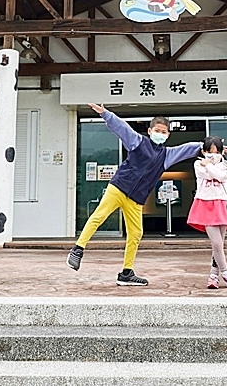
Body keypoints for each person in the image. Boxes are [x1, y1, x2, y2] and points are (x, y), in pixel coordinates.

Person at [67, 103, 213, 286]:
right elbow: (122, 128)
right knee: (98, 216)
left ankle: (126, 273)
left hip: (136, 199)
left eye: (164, 131)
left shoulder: (167, 155)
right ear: (150, 130)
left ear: (168, 135)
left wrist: (211, 146)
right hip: (119, 188)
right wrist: (105, 113)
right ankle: (78, 249)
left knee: (136, 233)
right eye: (157, 130)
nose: (160, 133)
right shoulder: (138, 142)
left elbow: (187, 148)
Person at [187, 135, 227, 289]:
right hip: (205, 204)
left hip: (222, 205)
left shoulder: (222, 165)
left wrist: (210, 164)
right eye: (208, 152)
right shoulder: (197, 164)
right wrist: (211, 165)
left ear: (221, 152)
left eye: (215, 152)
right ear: (203, 151)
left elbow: (221, 177)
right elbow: (205, 174)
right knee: (217, 243)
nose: (211, 155)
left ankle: (213, 276)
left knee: (218, 246)